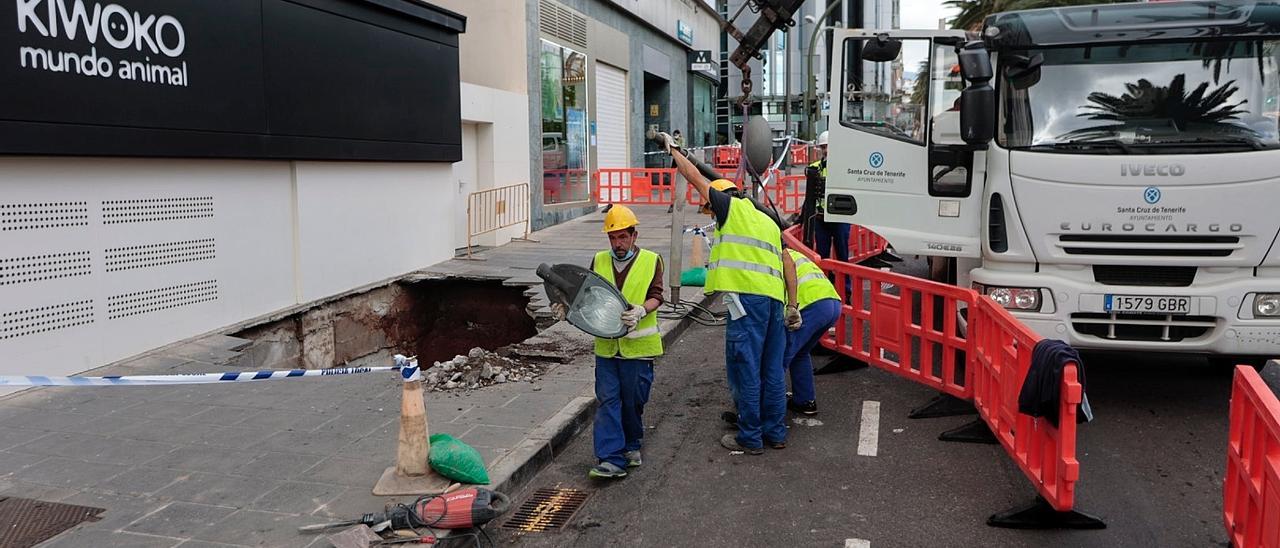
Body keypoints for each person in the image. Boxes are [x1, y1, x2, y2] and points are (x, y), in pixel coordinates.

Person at [662, 133, 801, 455]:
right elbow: (788, 262)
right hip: (774, 301)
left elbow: (695, 177)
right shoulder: (766, 219)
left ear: (720, 199)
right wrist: (793, 306)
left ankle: (750, 437)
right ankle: (775, 433)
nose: (710, 215)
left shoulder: (730, 207)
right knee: (772, 371)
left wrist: (673, 150)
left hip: (747, 302)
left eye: (710, 208)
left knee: (747, 369)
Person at [551, 204, 664, 479]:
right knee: (608, 400)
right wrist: (566, 310)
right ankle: (610, 458)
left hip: (638, 349)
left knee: (632, 402)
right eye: (613, 238)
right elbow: (585, 297)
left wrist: (641, 310)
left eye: (623, 237)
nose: (618, 244)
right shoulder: (600, 260)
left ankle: (631, 445)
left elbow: (657, 295)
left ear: (634, 236)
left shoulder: (652, 260)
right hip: (606, 349)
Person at [781, 249, 842, 415]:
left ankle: (762, 412)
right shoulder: (791, 252)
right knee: (801, 353)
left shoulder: (773, 253)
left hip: (809, 304)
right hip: (832, 303)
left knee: (779, 360)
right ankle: (805, 401)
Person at [802, 131, 852, 263]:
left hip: (840, 217)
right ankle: (826, 281)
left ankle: (845, 284)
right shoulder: (814, 168)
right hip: (821, 218)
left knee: (842, 256)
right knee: (822, 257)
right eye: (823, 147)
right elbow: (809, 197)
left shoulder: (844, 167)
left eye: (828, 146)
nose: (826, 150)